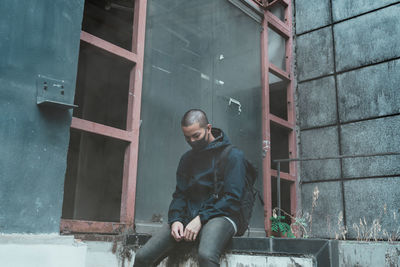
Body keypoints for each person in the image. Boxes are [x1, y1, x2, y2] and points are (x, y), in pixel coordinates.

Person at [133, 109, 247, 267]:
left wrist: (201, 218)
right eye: (187, 138)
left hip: (223, 215)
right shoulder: (186, 159)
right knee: (142, 257)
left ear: (208, 128)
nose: (192, 141)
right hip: (189, 216)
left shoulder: (233, 156)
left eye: (196, 136)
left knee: (206, 255)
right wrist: (176, 220)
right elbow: (180, 195)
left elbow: (233, 199)